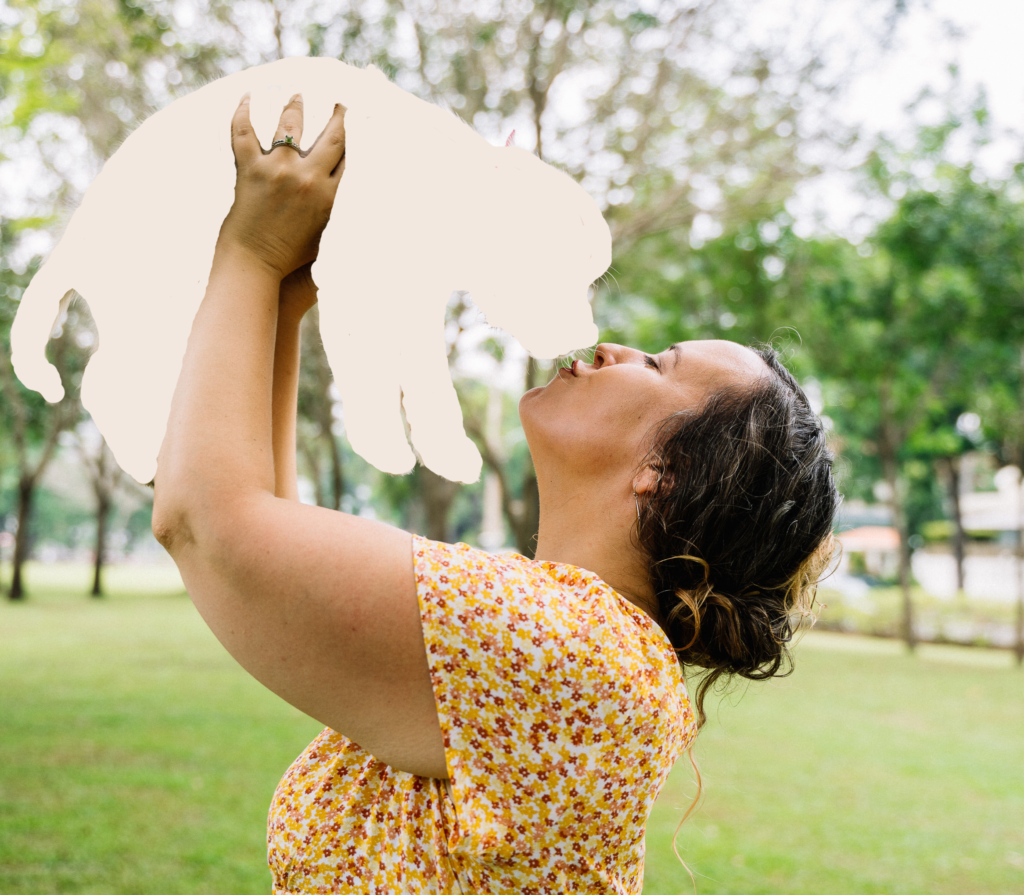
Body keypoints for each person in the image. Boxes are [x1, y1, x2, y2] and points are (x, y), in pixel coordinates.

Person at [152, 94, 839, 894]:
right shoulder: (555, 638)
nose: (617, 347)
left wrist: (252, 250)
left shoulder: (574, 652)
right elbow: (261, 524)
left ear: (670, 472)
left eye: (658, 366)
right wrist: (286, 294)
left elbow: (207, 523)